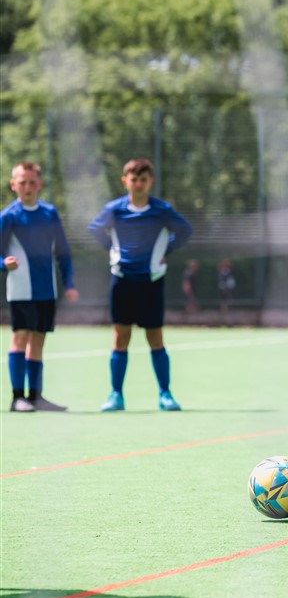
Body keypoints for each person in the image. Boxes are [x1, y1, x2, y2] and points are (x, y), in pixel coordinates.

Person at [88, 157, 193, 412]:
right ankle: (116, 395)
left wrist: (166, 250)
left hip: (151, 282)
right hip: (122, 282)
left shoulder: (161, 210)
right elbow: (94, 229)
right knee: (120, 337)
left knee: (155, 337)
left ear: (150, 182)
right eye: (133, 179)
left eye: (143, 180)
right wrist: (111, 250)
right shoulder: (114, 209)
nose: (138, 184)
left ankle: (165, 394)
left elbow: (185, 230)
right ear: (125, 181)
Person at [0, 161, 79, 412]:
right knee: (20, 337)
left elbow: (63, 252)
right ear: (14, 185)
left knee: (39, 340)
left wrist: (69, 283)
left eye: (32, 182)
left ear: (39, 184)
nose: (27, 187)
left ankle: (36, 396)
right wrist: (4, 264)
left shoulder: (49, 213)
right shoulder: (8, 216)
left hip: (47, 289)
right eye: (22, 182)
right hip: (21, 289)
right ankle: (17, 398)